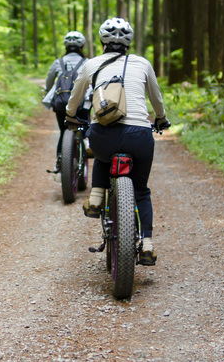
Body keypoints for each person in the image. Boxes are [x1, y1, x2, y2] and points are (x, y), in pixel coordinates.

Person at [64, 17, 170, 265]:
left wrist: (70, 116)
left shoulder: (91, 64)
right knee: (141, 190)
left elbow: (75, 96)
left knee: (102, 151)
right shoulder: (142, 64)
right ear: (129, 42)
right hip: (140, 135)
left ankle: (97, 197)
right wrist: (161, 119)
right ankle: (147, 244)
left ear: (102, 41)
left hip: (104, 134)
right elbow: (156, 98)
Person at [44, 31, 90, 169]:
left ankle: (60, 166)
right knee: (83, 129)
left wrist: (47, 91)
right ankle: (85, 147)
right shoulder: (87, 63)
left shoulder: (58, 63)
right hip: (82, 103)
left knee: (64, 132)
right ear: (82, 46)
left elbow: (49, 82)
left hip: (61, 103)